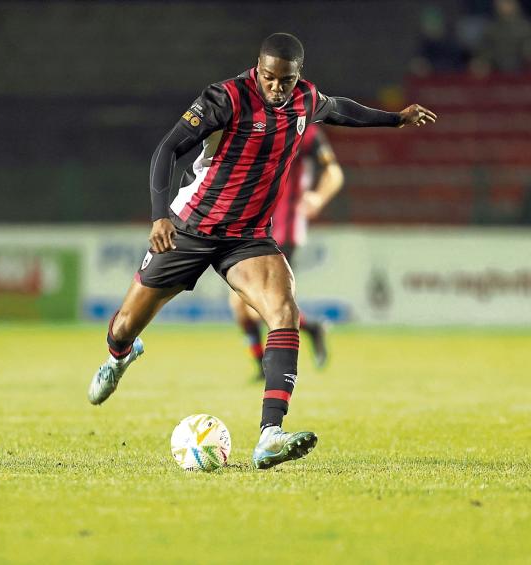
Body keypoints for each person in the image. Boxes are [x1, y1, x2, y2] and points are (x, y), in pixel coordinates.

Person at [87, 33, 436, 470]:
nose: (276, 87)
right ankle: (120, 356)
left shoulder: (305, 100)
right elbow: (166, 150)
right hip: (189, 228)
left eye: (284, 80)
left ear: (297, 76)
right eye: (268, 77)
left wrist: (395, 119)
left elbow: (340, 109)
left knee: (284, 313)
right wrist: (159, 217)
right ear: (257, 68)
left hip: (248, 237)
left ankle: (270, 433)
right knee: (123, 325)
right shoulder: (226, 98)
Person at [228, 123, 343, 375]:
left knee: (252, 302)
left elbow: (334, 173)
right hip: (253, 226)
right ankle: (306, 331)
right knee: (240, 304)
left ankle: (275, 359)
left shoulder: (307, 131)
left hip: (283, 229)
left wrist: (318, 197)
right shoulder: (252, 125)